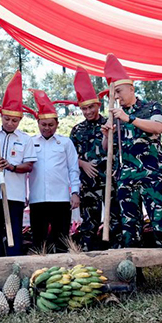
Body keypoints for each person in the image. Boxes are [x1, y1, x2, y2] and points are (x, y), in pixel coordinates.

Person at [100, 54, 162, 285]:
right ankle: (135, 275)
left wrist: (129, 118)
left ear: (131, 87)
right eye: (113, 94)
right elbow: (107, 149)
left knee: (161, 222)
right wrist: (107, 134)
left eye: (119, 92)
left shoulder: (150, 107)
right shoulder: (115, 116)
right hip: (126, 179)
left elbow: (158, 127)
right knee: (130, 226)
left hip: (152, 177)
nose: (116, 97)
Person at [0, 71, 36, 256]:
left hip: (14, 195)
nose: (10, 123)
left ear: (20, 120)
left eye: (14, 120)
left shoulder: (26, 139)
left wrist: (12, 167)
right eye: (7, 119)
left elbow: (29, 166)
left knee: (14, 235)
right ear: (1, 116)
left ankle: (14, 267)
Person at [69, 66, 120, 251]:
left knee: (115, 221)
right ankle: (90, 261)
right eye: (84, 108)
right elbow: (70, 156)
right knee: (88, 225)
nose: (88, 111)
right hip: (88, 185)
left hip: (109, 182)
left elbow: (116, 150)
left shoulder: (110, 123)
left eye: (91, 107)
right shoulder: (76, 130)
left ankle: (116, 257)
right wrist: (82, 164)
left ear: (98, 105)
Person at [25, 89, 80, 252]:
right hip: (37, 199)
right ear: (38, 124)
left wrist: (75, 192)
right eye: (43, 125)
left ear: (57, 124)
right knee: (39, 241)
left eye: (51, 125)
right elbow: (26, 171)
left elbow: (73, 169)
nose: (47, 128)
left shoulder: (65, 143)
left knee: (62, 240)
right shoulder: (30, 142)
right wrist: (25, 194)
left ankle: (63, 274)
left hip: (61, 199)